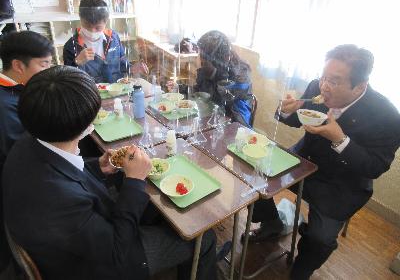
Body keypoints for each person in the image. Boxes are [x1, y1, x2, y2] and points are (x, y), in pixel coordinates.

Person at [2, 65, 218, 280]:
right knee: (204, 238)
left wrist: (98, 166)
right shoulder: (58, 199)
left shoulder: (30, 139)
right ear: (82, 125)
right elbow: (117, 251)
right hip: (97, 265)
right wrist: (134, 180)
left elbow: (64, 170)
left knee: (156, 205)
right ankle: (201, 260)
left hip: (72, 237)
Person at [246, 44, 400, 279]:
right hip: (303, 159)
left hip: (342, 184)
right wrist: (287, 110)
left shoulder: (387, 117)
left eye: (335, 81)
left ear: (360, 86)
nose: (324, 86)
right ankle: (272, 224)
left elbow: (375, 166)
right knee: (254, 176)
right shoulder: (317, 87)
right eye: (323, 76)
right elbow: (298, 120)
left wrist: (340, 139)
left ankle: (302, 269)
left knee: (320, 238)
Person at [0, 30, 53, 275]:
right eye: (44, 64)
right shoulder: (5, 106)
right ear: (18, 65)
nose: (49, 70)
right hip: (31, 194)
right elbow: (22, 156)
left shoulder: (17, 90)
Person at [168, 30, 253, 127]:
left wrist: (213, 73)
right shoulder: (208, 69)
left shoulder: (240, 74)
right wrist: (179, 88)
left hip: (234, 124)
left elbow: (223, 103)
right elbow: (199, 93)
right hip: (209, 120)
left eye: (203, 56)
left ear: (215, 58)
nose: (200, 59)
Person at [63, 0, 128, 83]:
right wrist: (77, 62)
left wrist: (133, 68)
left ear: (106, 22)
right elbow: (68, 81)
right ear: (81, 19)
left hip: (117, 90)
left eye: (98, 28)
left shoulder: (113, 38)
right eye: (87, 26)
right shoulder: (71, 46)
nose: (92, 31)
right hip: (90, 93)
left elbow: (123, 62)